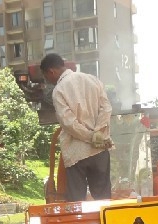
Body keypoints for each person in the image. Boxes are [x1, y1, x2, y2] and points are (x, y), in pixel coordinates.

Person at [39, 53, 113, 202]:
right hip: (99, 149)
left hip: (76, 154)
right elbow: (106, 108)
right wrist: (98, 134)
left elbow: (69, 123)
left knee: (77, 201)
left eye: (46, 77)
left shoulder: (59, 90)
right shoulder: (92, 80)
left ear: (51, 71)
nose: (48, 81)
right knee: (103, 199)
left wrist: (90, 137)